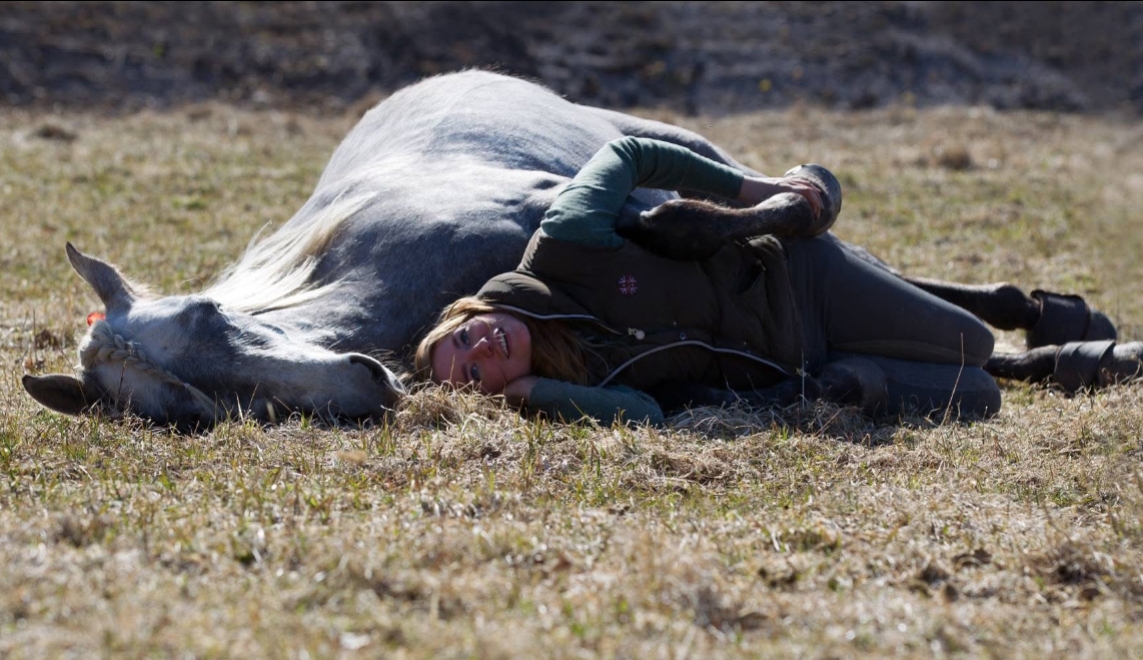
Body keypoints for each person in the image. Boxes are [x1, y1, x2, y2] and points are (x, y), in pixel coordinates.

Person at [412, 137, 1014, 425]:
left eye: (465, 337)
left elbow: (627, 155)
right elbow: (644, 412)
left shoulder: (563, 243)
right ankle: (856, 383)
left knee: (977, 345)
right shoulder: (574, 382)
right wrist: (534, 392)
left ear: (470, 312)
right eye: (474, 375)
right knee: (980, 397)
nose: (482, 349)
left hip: (798, 282)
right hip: (797, 367)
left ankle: (801, 197)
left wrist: (753, 190)